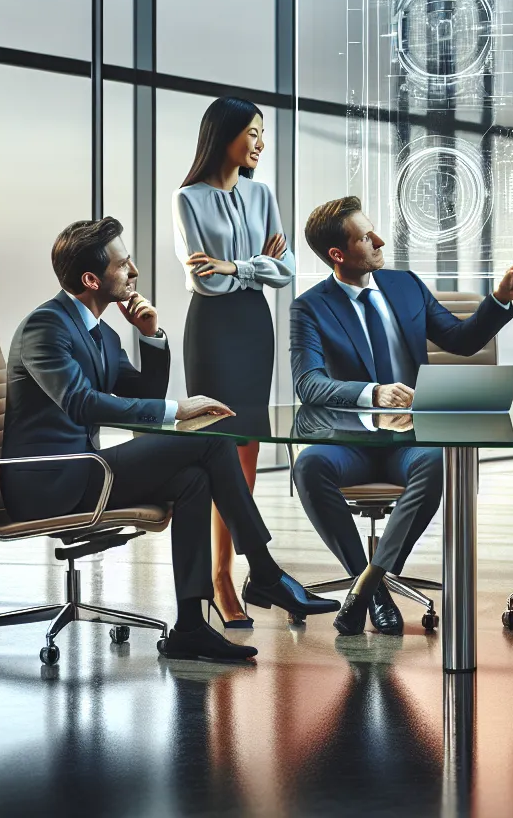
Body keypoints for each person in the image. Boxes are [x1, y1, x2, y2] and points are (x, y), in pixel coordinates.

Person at [0, 217, 337, 663]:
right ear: (90, 279)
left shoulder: (100, 332)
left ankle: (192, 627)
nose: (134, 271)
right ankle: (266, 572)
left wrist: (151, 336)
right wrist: (181, 409)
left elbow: (143, 396)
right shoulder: (47, 327)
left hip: (83, 471)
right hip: (48, 484)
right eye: (124, 265)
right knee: (213, 440)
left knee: (193, 479)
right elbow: (81, 403)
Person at [289, 195, 513, 635]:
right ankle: (374, 589)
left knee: (435, 459)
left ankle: (365, 585)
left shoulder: (405, 285)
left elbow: (462, 341)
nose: (379, 239)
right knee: (308, 465)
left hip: (409, 441)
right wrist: (373, 392)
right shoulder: (310, 307)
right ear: (338, 254)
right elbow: (308, 383)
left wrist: (500, 298)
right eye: (366, 236)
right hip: (351, 442)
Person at [172, 96, 295, 629]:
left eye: (262, 133)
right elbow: (206, 279)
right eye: (252, 132)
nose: (260, 143)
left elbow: (286, 270)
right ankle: (218, 579)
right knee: (215, 448)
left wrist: (237, 265)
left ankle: (234, 571)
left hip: (253, 326)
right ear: (223, 135)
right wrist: (255, 266)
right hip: (214, 328)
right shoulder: (188, 199)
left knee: (246, 452)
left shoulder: (262, 193)